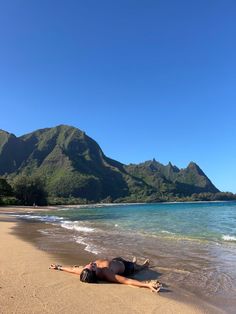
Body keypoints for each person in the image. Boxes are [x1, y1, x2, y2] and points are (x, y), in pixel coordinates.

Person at [49, 256, 161, 293]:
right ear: (94, 271)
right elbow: (127, 281)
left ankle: (135, 263)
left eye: (88, 265)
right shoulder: (106, 274)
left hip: (115, 260)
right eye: (91, 266)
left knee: (127, 261)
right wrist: (147, 285)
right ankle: (142, 266)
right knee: (137, 268)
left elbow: (73, 269)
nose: (89, 264)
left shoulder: (86, 271)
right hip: (126, 268)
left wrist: (58, 267)